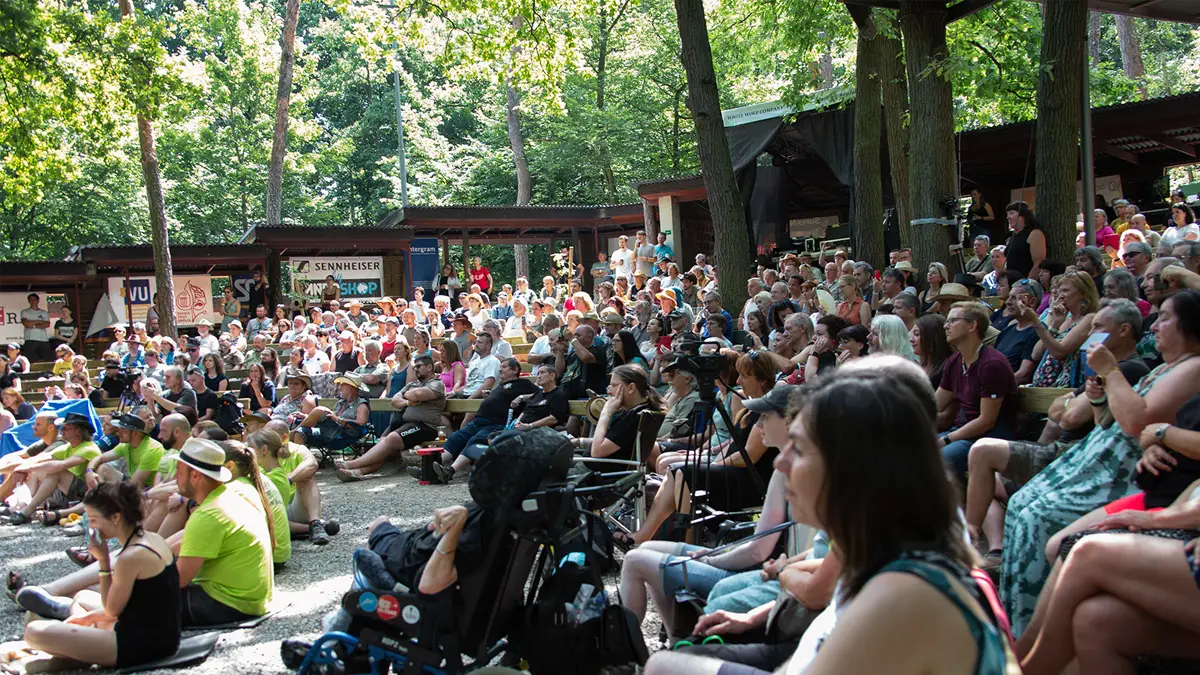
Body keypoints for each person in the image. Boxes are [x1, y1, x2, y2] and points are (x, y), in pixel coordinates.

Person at [646, 360, 1017, 675]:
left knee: (664, 666)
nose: (781, 461)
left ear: (856, 467)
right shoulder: (886, 540)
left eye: (801, 448)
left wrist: (783, 575)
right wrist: (753, 617)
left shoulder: (904, 590)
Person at [1001, 289, 1200, 634]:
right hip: (1097, 460)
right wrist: (1099, 402)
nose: (1156, 326)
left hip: (1120, 476)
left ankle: (1030, 631)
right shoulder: (1169, 366)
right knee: (1020, 503)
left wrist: (1112, 372)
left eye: (1166, 317)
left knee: (1037, 518)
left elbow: (1137, 422)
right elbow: (1117, 421)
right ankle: (1015, 624)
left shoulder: (1193, 367)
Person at [964, 298, 1150, 566]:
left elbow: (1071, 417)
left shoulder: (1128, 369)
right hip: (1058, 450)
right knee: (980, 475)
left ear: (1123, 330)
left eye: (1099, 326)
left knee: (982, 453)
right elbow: (1055, 410)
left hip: (1074, 456)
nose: (1090, 333)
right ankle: (995, 550)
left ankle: (972, 543)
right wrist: (1069, 406)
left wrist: (1069, 406)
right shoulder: (1102, 369)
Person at [20, 481, 180, 669]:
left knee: (34, 631)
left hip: (143, 645)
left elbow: (112, 610)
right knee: (81, 598)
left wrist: (103, 561)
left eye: (94, 520)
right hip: (160, 632)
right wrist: (90, 619)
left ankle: (75, 654)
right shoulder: (153, 538)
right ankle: (79, 647)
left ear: (115, 517)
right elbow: (140, 604)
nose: (92, 527)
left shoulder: (131, 557)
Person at [935, 302, 1018, 480]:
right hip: (962, 431)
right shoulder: (955, 361)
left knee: (939, 459)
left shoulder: (992, 364)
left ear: (972, 326)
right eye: (946, 321)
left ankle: (945, 507)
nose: (945, 325)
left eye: (953, 320)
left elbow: (986, 421)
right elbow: (934, 404)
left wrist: (946, 439)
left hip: (988, 438)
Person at [426, 357, 537, 483]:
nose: (500, 369)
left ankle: (449, 471)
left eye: (504, 367)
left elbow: (541, 394)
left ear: (515, 369)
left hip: (496, 424)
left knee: (475, 441)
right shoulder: (501, 385)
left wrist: (522, 397)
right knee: (456, 437)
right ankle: (429, 470)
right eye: (500, 367)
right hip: (479, 421)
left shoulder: (524, 384)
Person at [336, 354, 444, 481]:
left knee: (391, 439)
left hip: (424, 426)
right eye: (414, 368)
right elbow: (394, 401)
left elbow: (419, 394)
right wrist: (408, 402)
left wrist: (405, 395)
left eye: (419, 367)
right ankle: (358, 472)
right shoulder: (412, 384)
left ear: (430, 367)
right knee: (383, 442)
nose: (415, 370)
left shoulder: (437, 384)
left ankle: (351, 464)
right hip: (403, 424)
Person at [0, 413, 99, 526]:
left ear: (78, 431)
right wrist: (23, 468)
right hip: (68, 490)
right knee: (35, 470)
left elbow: (61, 465)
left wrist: (27, 467)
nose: (62, 430)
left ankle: (27, 510)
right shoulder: (68, 447)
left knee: (55, 472)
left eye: (67, 428)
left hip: (87, 493)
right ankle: (19, 508)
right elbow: (41, 458)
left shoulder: (88, 448)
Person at [1018, 271, 1100, 388]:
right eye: (1060, 291)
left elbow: (1059, 352)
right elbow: (1036, 355)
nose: (1060, 295)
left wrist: (1036, 322)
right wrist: (1054, 325)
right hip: (1044, 388)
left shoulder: (1089, 319)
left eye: (1065, 290)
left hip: (1066, 388)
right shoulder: (1066, 320)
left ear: (1083, 292)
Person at [85, 413, 165, 488]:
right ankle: (96, 498)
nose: (118, 433)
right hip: (132, 482)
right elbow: (100, 458)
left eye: (123, 430)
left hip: (149, 489)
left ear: (135, 433)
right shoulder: (126, 444)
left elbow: (136, 483)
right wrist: (89, 471)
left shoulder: (151, 450)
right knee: (102, 468)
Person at [1004, 201, 1046, 279]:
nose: (1008, 217)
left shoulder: (1035, 234)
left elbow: (1038, 263)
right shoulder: (1013, 235)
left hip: (1025, 283)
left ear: (1022, 215)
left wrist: (1027, 284)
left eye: (1011, 213)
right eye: (1007, 214)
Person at [20, 293, 52, 362]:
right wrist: (39, 321)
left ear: (38, 301)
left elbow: (47, 324)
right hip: (30, 339)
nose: (32, 301)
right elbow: (26, 323)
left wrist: (32, 325)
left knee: (44, 360)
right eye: (30, 300)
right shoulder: (25, 312)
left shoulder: (44, 312)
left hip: (43, 340)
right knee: (30, 360)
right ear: (29, 301)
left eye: (34, 299)